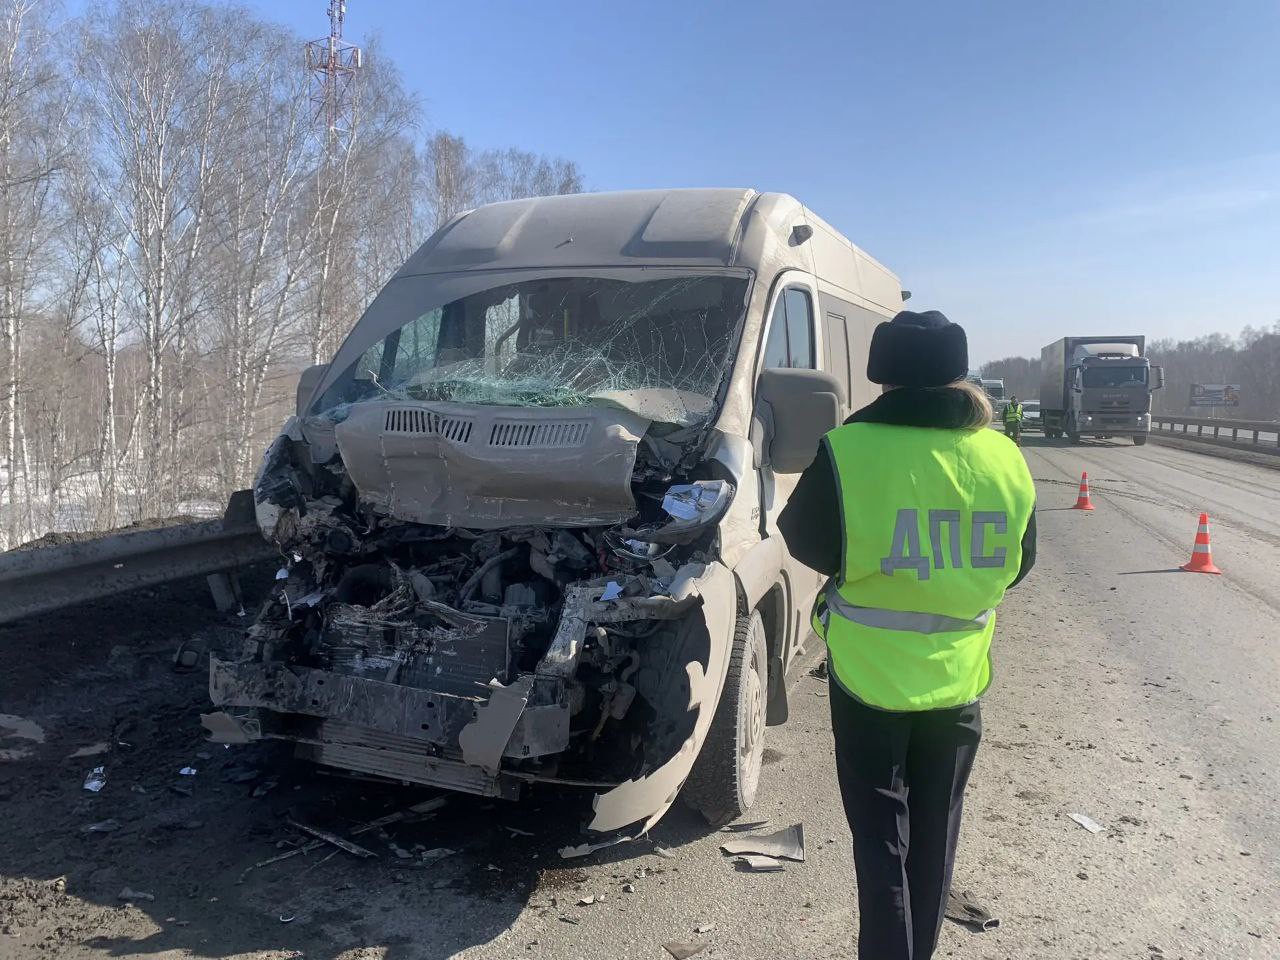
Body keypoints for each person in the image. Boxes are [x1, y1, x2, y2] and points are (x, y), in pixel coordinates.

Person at [778, 309, 1036, 960]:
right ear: (959, 375)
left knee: (881, 842)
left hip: (869, 680)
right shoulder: (1003, 456)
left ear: (882, 378)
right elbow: (1021, 561)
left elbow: (803, 538)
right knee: (935, 837)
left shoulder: (849, 450)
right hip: (957, 679)